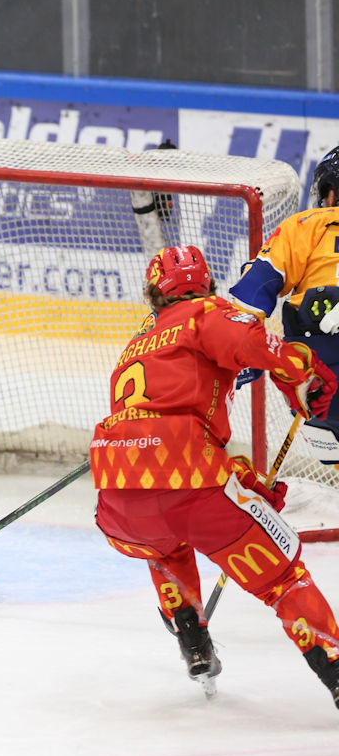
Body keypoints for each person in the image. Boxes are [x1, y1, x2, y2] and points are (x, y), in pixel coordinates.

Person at [91, 245, 339, 708]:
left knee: (165, 546)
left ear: (152, 295)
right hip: (188, 482)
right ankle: (336, 667)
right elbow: (249, 345)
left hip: (118, 500)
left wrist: (242, 483)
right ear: (205, 284)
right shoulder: (205, 312)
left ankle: (193, 642)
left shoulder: (137, 343)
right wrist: (299, 363)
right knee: (282, 579)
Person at [229, 144, 339, 456]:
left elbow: (251, 294)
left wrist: (241, 354)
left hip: (321, 379)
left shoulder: (305, 225)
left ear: (329, 193)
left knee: (329, 448)